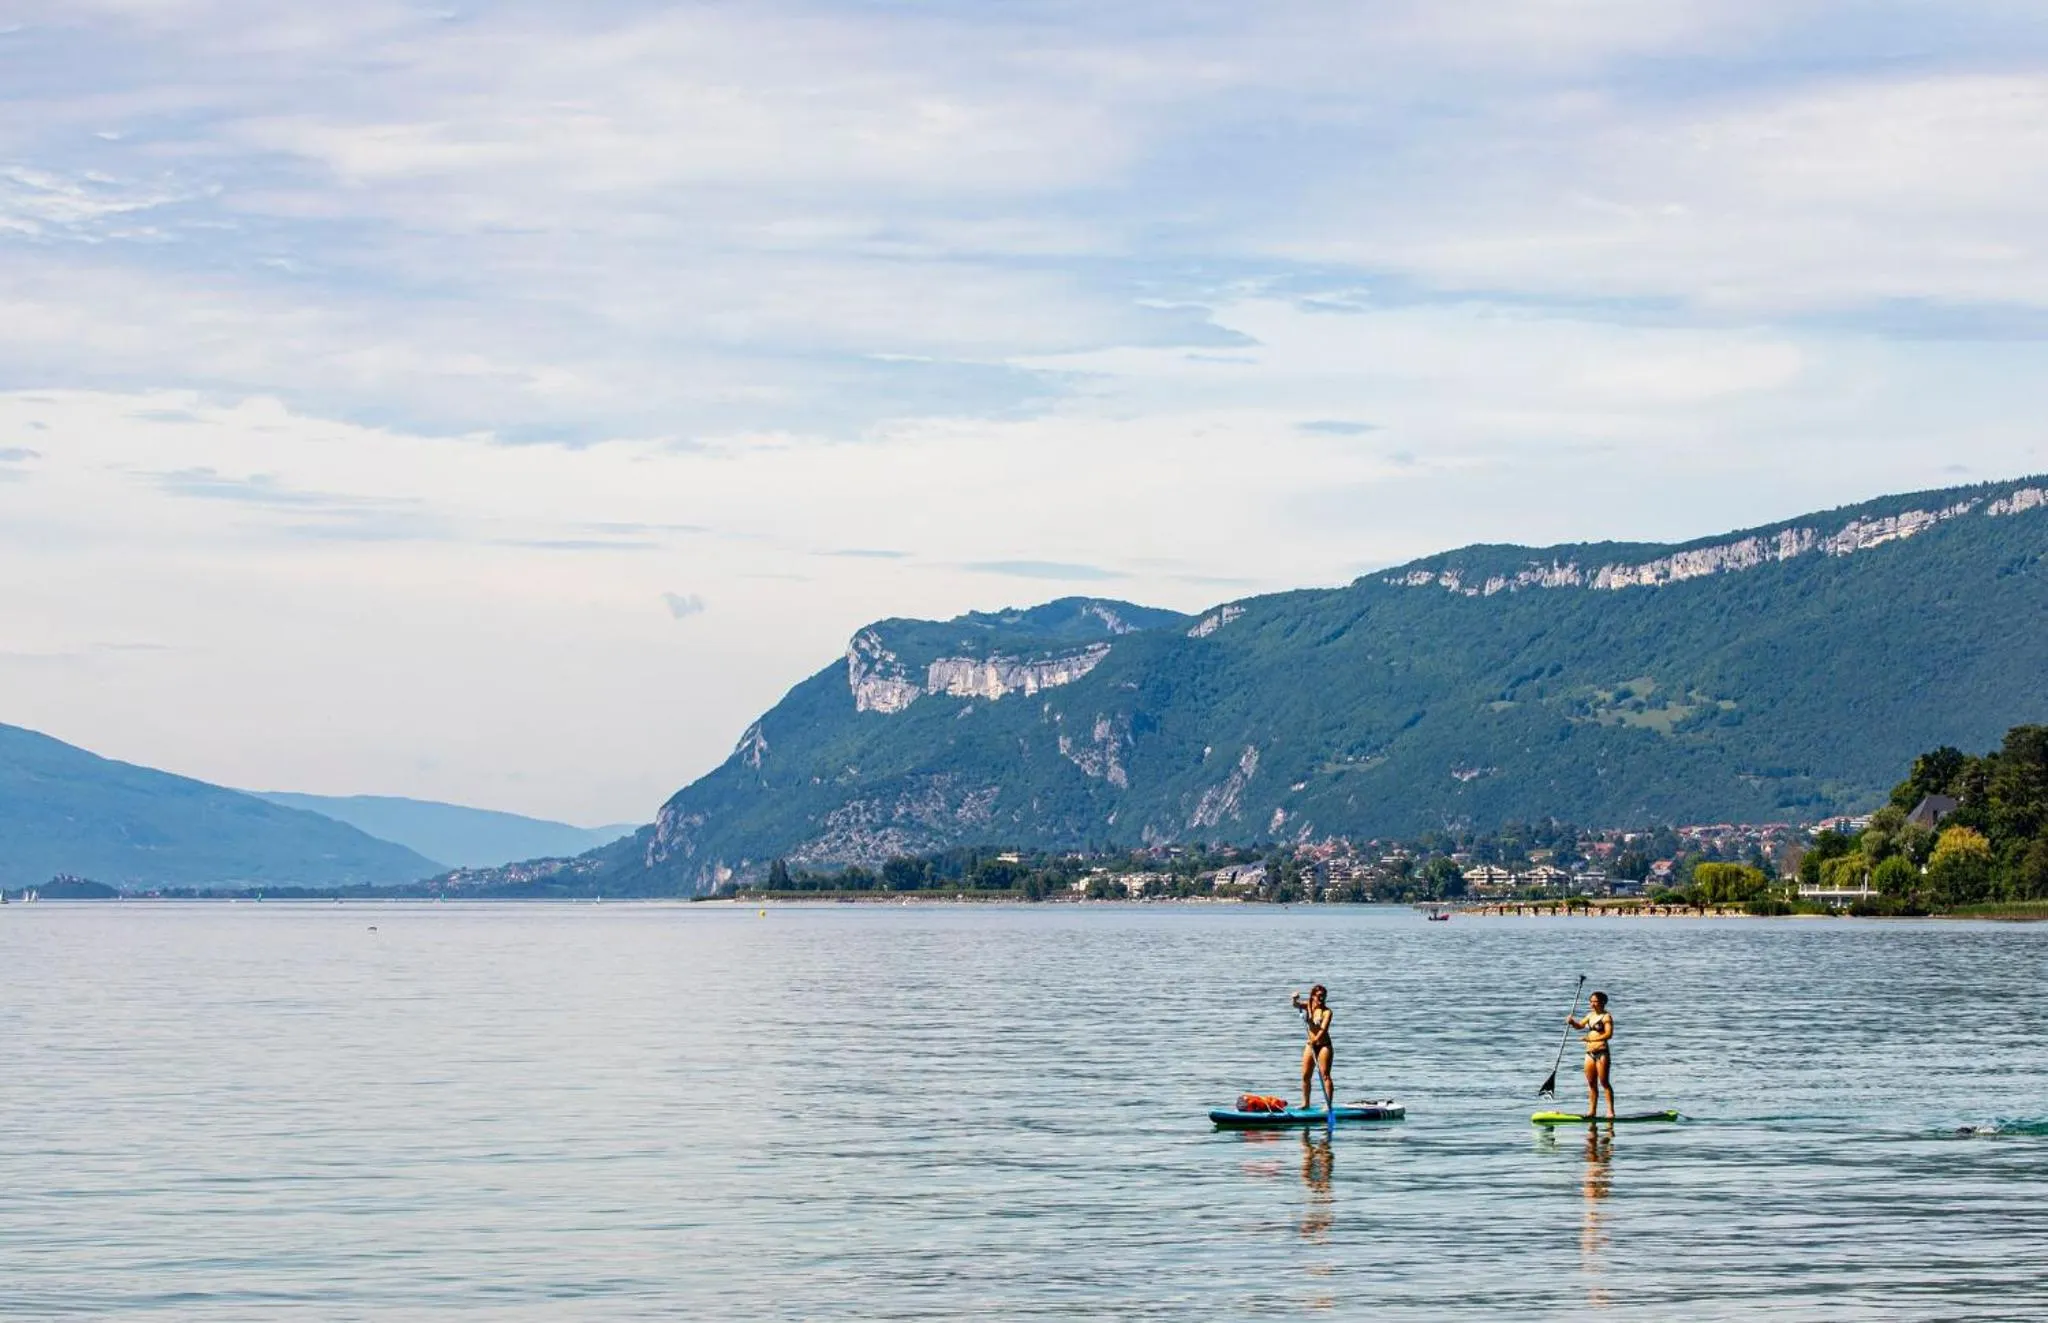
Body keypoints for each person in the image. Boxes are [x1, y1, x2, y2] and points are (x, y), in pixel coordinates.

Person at [1568, 990, 1615, 1119]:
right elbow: (1580, 1026)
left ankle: (1610, 1111)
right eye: (1591, 1001)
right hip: (1589, 1054)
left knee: (1604, 1082)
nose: (1593, 1004)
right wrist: (1572, 1023)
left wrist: (1591, 1039)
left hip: (1602, 1053)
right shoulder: (1590, 1015)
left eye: (1595, 1002)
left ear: (1603, 1003)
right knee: (1591, 1084)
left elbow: (1608, 1034)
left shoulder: (1606, 1017)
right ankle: (1591, 1111)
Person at [1292, 984, 1334, 1110]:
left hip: (1323, 1046)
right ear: (1313, 996)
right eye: (1319, 996)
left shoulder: (1327, 1012)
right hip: (1310, 1045)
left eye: (1324, 996)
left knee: (1325, 1075)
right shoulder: (1309, 1005)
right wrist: (1294, 999)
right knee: (1305, 1076)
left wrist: (1315, 1040)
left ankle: (1328, 1105)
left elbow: (1323, 1029)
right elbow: (1296, 1005)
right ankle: (1305, 1103)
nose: (1322, 998)